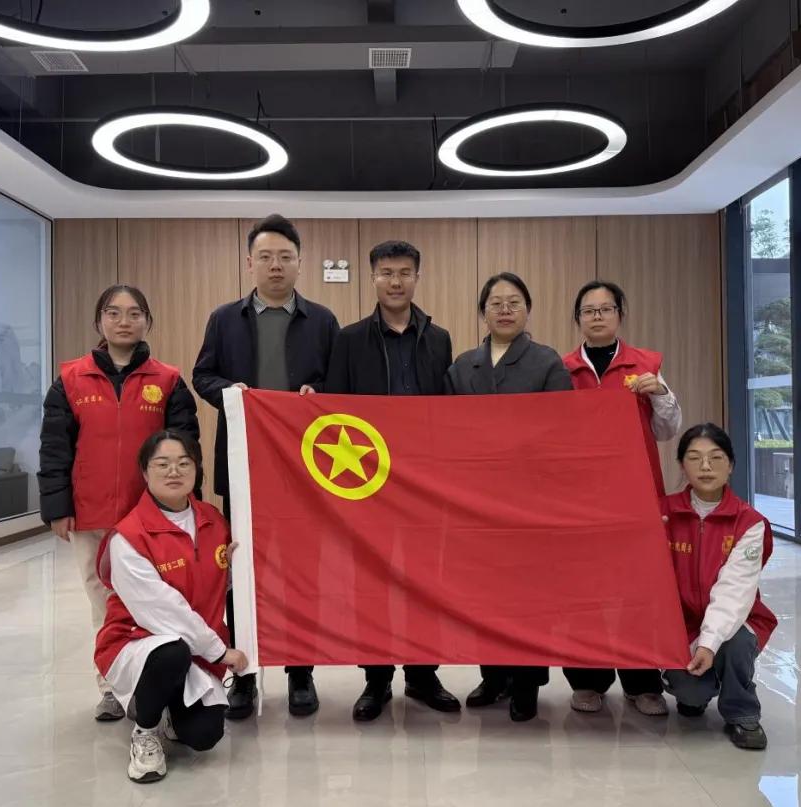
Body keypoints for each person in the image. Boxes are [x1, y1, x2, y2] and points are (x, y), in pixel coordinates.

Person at [193, 213, 340, 720]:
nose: (275, 265)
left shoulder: (322, 321)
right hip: (242, 468)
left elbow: (339, 384)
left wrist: (318, 395)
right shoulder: (224, 319)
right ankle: (245, 674)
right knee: (241, 572)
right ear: (249, 263)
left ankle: (301, 673)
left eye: (285, 257)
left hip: (304, 472)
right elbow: (203, 375)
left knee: (302, 573)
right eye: (266, 256)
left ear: (300, 263)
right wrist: (230, 393)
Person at [39, 284, 199, 722]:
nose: (123, 321)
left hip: (149, 517)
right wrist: (57, 507)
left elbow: (186, 448)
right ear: (99, 322)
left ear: (148, 321)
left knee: (157, 600)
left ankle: (159, 684)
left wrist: (188, 507)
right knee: (104, 602)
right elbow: (55, 448)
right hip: (90, 513)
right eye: (113, 313)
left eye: (133, 313)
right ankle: (110, 685)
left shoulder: (168, 380)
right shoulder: (71, 379)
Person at [325, 239, 461, 722]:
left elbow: (448, 410)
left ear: (417, 278)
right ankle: (376, 678)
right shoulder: (349, 339)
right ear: (373, 278)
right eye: (386, 273)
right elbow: (334, 410)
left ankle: (423, 674)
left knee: (427, 580)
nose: (395, 281)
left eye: (404, 272)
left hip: (425, 482)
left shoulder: (439, 339)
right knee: (373, 583)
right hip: (369, 484)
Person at [444, 271, 572, 722]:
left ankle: (527, 683)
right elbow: (445, 431)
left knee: (529, 595)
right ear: (482, 312)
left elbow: (563, 429)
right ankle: (493, 675)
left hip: (529, 500)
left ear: (527, 310)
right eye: (495, 303)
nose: (504, 310)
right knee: (484, 592)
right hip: (476, 501)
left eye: (513, 302)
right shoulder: (462, 366)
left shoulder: (547, 362)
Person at [95, 430, 248, 782]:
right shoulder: (129, 537)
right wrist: (220, 652)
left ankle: (165, 706)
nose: (174, 472)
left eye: (184, 463)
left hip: (194, 646)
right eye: (162, 464)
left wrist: (237, 571)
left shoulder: (213, 520)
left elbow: (215, 583)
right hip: (139, 642)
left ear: (197, 470)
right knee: (171, 652)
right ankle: (145, 730)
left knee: (204, 736)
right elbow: (163, 611)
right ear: (145, 472)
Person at [560, 280, 682, 717]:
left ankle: (642, 682)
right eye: (588, 311)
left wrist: (661, 394)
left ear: (619, 315)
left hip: (636, 493)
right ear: (578, 319)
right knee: (583, 590)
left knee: (638, 588)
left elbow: (666, 430)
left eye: (605, 309)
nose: (597, 317)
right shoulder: (563, 369)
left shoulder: (645, 365)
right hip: (580, 498)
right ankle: (587, 680)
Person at [661, 423, 776, 750]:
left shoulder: (749, 522)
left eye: (716, 457)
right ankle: (695, 693)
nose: (706, 467)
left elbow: (734, 592)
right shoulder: (663, 513)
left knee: (736, 643)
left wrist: (709, 644)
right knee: (690, 693)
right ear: (682, 465)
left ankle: (742, 711)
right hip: (682, 623)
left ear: (731, 465)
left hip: (737, 618)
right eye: (694, 458)